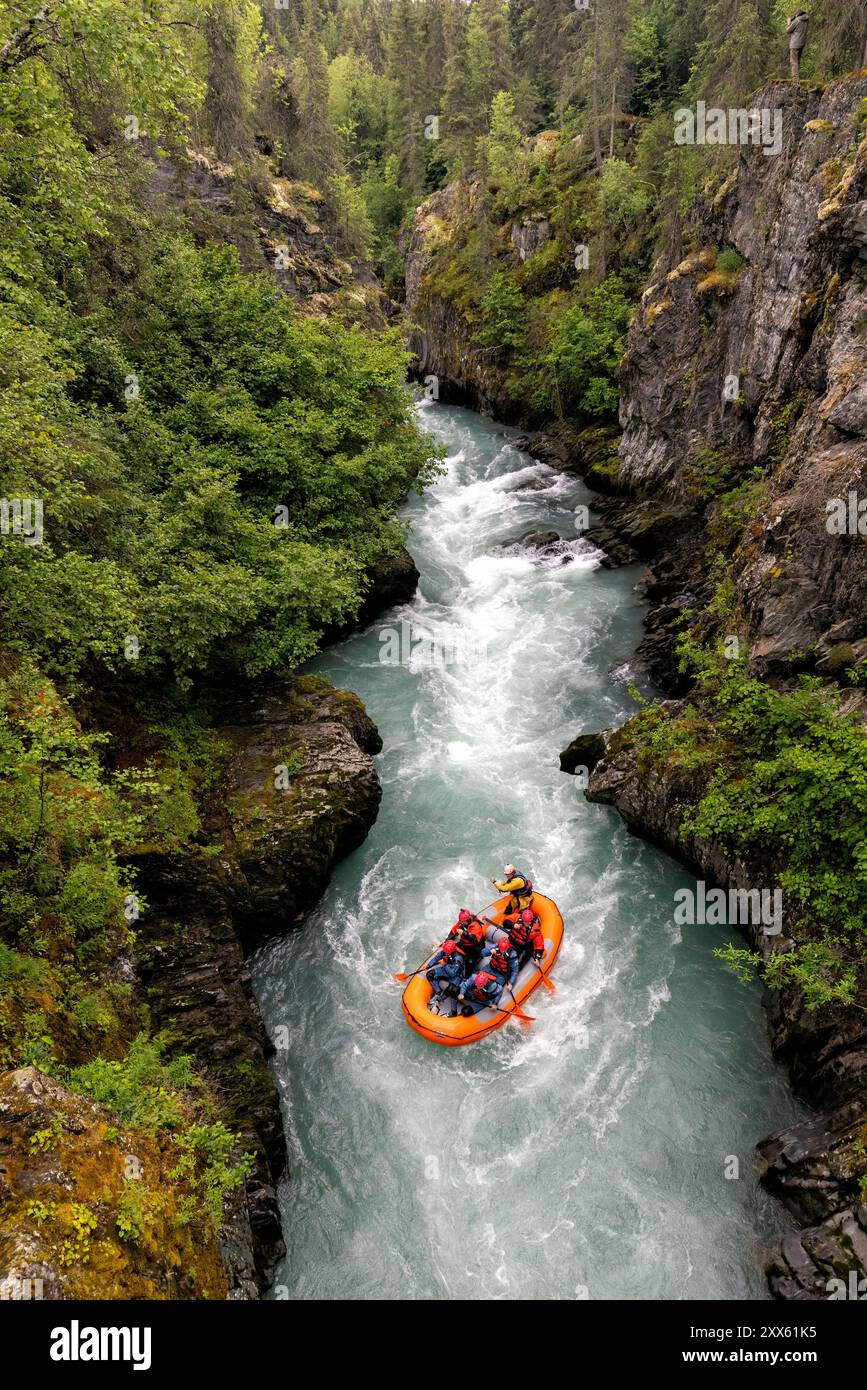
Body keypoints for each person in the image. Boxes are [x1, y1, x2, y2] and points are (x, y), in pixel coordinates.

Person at [447, 908, 487, 974]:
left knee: (470, 962)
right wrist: (448, 940)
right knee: (451, 950)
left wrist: (463, 933)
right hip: (465, 945)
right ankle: (452, 966)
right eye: (460, 921)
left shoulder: (475, 926)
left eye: (462, 922)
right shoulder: (462, 922)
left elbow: (474, 940)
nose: (461, 923)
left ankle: (467, 976)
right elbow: (454, 931)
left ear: (467, 920)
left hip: (476, 947)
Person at [787, 10, 809, 83]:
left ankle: (795, 80)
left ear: (798, 15)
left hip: (794, 44)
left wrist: (789, 22)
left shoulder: (797, 20)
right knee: (797, 61)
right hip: (802, 43)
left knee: (793, 62)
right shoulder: (806, 20)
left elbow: (788, 30)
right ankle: (797, 79)